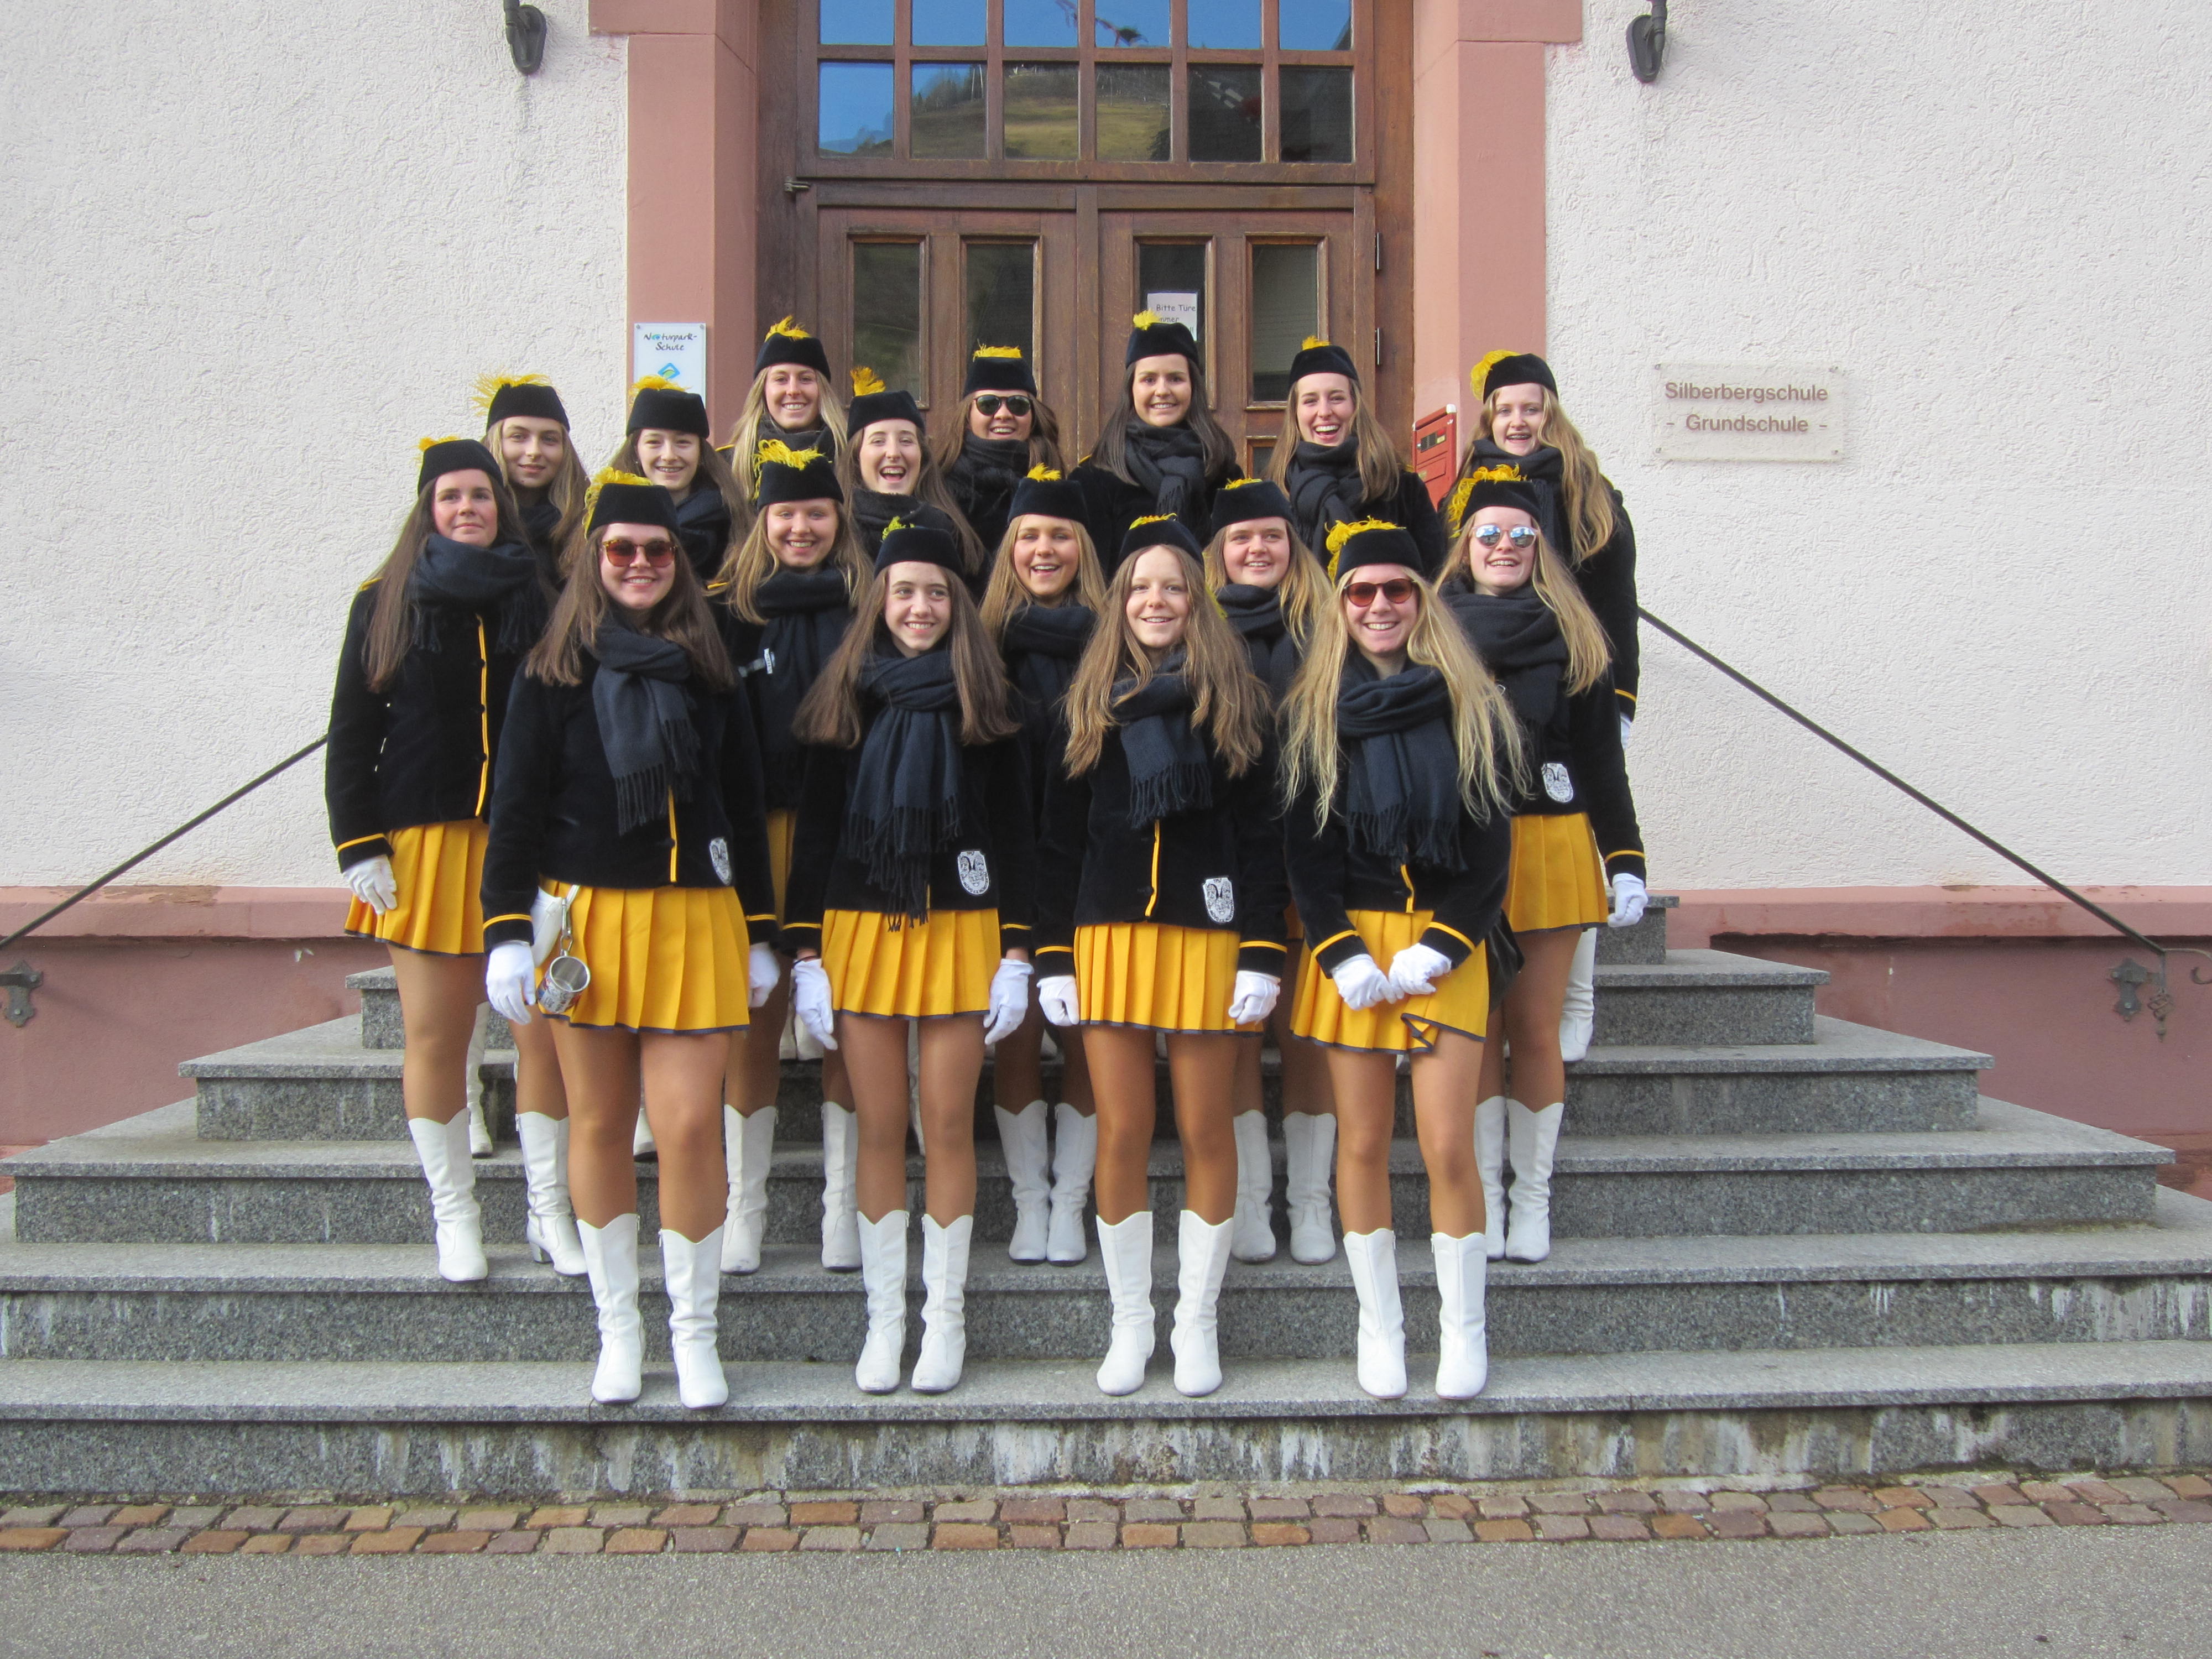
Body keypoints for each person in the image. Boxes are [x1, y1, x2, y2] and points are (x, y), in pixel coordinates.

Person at [481, 472, 781, 1408]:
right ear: (594, 559)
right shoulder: (551, 672)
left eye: (657, 550)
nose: (641, 563)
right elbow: (514, 810)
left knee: (689, 1125)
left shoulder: (712, 671)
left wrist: (761, 930)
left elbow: (742, 805)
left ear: (679, 562)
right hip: (590, 923)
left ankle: (694, 1334)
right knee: (602, 1124)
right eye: (621, 549)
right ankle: (620, 1331)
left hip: (696, 918)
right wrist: (505, 932)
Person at [782, 518, 1036, 1395]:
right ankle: (885, 1320)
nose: (919, 607)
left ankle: (945, 1320)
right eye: (904, 592)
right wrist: (805, 955)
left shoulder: (989, 704)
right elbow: (814, 839)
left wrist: (1018, 952)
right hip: (860, 930)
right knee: (880, 1124)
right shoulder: (845, 698)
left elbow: (1017, 837)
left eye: (935, 592)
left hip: (963, 930)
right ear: (879, 601)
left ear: (957, 603)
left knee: (949, 1123)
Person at [1034, 517, 1286, 1399]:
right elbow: (1058, 844)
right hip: (1107, 940)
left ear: (1196, 601)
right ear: (1118, 602)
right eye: (1140, 587)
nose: (1156, 600)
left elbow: (1261, 841)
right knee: (1123, 1130)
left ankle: (1197, 1320)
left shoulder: (1238, 703)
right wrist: (1053, 958)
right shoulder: (1086, 706)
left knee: (1208, 1128)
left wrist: (1262, 951)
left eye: (1173, 586)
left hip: (1208, 940)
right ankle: (1132, 1320)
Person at [1278, 518, 1521, 1401]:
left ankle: (1463, 1331)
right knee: (1363, 1141)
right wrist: (1341, 953)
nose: (1379, 605)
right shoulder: (1310, 715)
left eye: (1396, 590)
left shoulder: (1474, 706)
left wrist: (1444, 946)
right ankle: (1379, 1328)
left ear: (1421, 600)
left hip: (1444, 947)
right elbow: (1305, 856)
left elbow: (1491, 855)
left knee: (1450, 1145)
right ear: (1340, 604)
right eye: (1361, 591)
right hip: (1355, 948)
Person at [325, 437, 580, 1282]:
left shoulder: (542, 595)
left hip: (528, 843)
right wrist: (358, 843)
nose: (468, 508)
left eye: (480, 495)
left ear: (500, 505)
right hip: (427, 844)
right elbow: (353, 731)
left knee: (545, 1040)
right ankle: (455, 1215)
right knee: (437, 1038)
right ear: (428, 509)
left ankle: (550, 1211)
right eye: (451, 496)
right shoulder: (383, 601)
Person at [1443, 476, 1647, 1265]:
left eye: (1521, 535)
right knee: (1477, 1028)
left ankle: (1532, 1196)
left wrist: (1624, 859)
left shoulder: (1576, 636)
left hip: (1549, 842)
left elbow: (1601, 760)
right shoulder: (1430, 630)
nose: (1504, 547)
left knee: (1532, 1029)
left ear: (1541, 548)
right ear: (1465, 545)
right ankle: (1485, 1199)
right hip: (1461, 849)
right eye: (1489, 534)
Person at [1446, 350, 1645, 1062]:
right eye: (1505, 410)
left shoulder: (1591, 492)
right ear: (1488, 419)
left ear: (1551, 413)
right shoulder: (1465, 491)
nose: (1518, 421)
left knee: (1573, 832)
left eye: (1531, 408)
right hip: (1497, 675)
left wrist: (1619, 698)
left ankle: (1578, 993)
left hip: (1570, 672)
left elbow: (1616, 604)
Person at [711, 440, 868, 1274]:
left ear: (839, 517)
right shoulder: (726, 613)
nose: (801, 528)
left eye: (816, 512)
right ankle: (746, 1206)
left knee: (846, 1020)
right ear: (761, 520)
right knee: (754, 1022)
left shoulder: (870, 606)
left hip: (848, 838)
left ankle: (843, 1206)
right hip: (757, 836)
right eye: (785, 514)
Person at [1200, 477, 1338, 1265]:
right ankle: (1250, 1201)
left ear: (1293, 545)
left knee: (1307, 1034)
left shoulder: (1331, 627)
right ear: (1219, 551)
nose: (1258, 548)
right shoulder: (1197, 630)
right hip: (1226, 864)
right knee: (1238, 1036)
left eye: (1272, 535)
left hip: (1314, 853)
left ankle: (1310, 1202)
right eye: (1242, 538)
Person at [978, 467, 1105, 1262]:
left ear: (1083, 547)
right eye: (1029, 535)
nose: (1044, 549)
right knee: (1018, 1033)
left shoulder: (1116, 641)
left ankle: (1072, 1201)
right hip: (1006, 862)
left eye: (1060, 534)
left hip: (1092, 866)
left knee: (1087, 1034)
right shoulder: (980, 644)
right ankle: (1031, 1200)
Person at [1073, 313, 1238, 570]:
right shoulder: (1094, 478)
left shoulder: (1222, 472)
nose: (1162, 390)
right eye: (1149, 380)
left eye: (1175, 379)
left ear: (1194, 387)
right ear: (1131, 389)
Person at [1268, 338, 1447, 575]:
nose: (1325, 412)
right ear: (1295, 412)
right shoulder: (1274, 493)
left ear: (1355, 405)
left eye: (1337, 398)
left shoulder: (1402, 489)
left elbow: (1434, 576)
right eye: (1310, 401)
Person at [837, 371, 988, 577]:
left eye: (906, 441)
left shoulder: (953, 534)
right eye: (878, 441)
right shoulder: (835, 532)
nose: (893, 453)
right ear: (857, 456)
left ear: (922, 455)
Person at [605, 378, 749, 585]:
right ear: (636, 450)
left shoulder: (736, 524)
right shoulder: (607, 522)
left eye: (683, 443)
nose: (669, 455)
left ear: (701, 452)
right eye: (654, 442)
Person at [937, 346, 1068, 555]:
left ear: (1034, 415)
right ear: (968, 415)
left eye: (1018, 404)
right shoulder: (940, 486)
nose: (1003, 415)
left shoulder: (1056, 479)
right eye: (988, 404)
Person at [727, 316, 849, 504]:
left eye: (806, 379)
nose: (793, 390)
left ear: (823, 391)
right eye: (781, 380)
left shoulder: (852, 458)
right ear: (763, 391)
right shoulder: (729, 465)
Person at [476, 373, 587, 575]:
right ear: (495, 444)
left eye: (549, 439)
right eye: (518, 437)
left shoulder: (588, 523)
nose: (534, 451)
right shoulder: (470, 519)